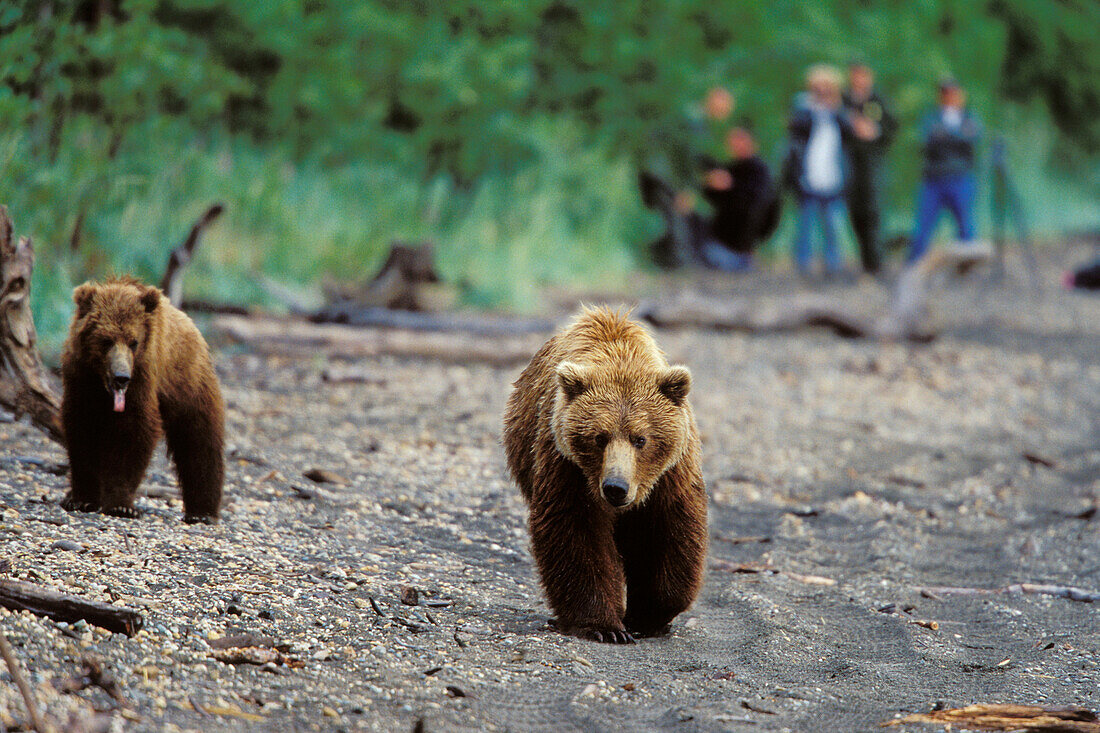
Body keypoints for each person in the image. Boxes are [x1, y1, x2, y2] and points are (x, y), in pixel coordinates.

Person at [643, 87, 736, 269]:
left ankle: (665, 260)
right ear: (714, 101)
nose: (727, 112)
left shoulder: (699, 119)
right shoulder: (694, 119)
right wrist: (687, 190)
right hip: (663, 172)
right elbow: (685, 157)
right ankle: (678, 265)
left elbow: (696, 157)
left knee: (681, 219)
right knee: (678, 221)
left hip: (665, 171)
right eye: (726, 106)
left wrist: (711, 175)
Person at [783, 65, 855, 277]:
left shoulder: (839, 110)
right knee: (805, 223)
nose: (822, 90)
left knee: (832, 223)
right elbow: (796, 127)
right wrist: (813, 108)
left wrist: (835, 109)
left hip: (832, 176)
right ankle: (802, 264)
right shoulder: (803, 106)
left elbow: (850, 132)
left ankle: (833, 264)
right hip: (808, 175)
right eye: (818, 86)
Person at [908, 77, 982, 264]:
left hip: (960, 177)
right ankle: (914, 264)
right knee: (923, 226)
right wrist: (955, 137)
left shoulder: (969, 117)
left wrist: (946, 135)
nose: (949, 97)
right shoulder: (931, 117)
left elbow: (972, 138)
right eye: (945, 93)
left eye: (953, 92)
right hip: (934, 179)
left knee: (966, 225)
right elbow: (927, 140)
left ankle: (967, 266)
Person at [698, 125, 781, 271]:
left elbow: (755, 203)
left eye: (741, 141)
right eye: (733, 142)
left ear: (752, 143)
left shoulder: (759, 172)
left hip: (743, 242)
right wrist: (711, 184)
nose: (737, 146)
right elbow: (712, 198)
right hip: (722, 240)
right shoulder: (731, 168)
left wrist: (730, 185)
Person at [843, 61, 897, 274]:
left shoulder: (878, 99)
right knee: (855, 210)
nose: (859, 80)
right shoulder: (844, 99)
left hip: (873, 162)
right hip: (850, 161)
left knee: (873, 210)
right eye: (856, 75)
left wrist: (875, 131)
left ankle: (876, 262)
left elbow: (892, 127)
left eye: (863, 75)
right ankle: (865, 260)